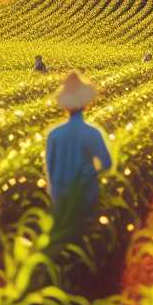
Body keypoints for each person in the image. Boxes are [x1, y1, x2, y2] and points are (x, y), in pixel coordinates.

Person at [45, 71, 113, 242]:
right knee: (84, 237)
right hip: (86, 194)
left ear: (65, 106)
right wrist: (89, 174)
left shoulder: (55, 134)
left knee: (62, 238)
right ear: (86, 104)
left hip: (60, 196)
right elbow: (106, 163)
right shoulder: (91, 133)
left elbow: (49, 168)